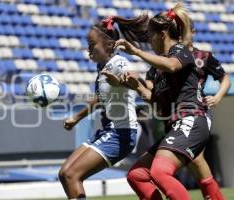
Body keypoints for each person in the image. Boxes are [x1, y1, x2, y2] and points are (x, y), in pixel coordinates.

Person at [112, 3, 228, 200]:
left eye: (151, 35)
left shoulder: (181, 51)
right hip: (175, 125)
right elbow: (155, 103)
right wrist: (134, 85)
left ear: (163, 33)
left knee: (160, 172)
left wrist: (138, 52)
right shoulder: (157, 69)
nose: (149, 41)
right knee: (137, 176)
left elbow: (173, 66)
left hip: (192, 119)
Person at [58, 15, 149, 200]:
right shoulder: (103, 66)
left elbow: (137, 82)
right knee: (64, 173)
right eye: (87, 43)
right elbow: (101, 99)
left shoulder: (119, 63)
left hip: (122, 133)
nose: (88, 48)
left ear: (109, 46)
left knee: (71, 175)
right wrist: (77, 118)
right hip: (109, 130)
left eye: (92, 43)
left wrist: (124, 82)